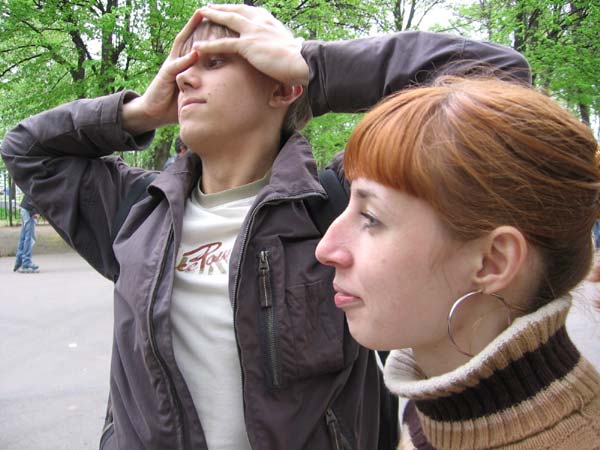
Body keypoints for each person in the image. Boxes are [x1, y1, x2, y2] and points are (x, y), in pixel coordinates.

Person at [1, 4, 530, 450]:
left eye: (214, 62)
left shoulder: (340, 210)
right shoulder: (137, 211)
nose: (184, 76)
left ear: (282, 90)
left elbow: (499, 79)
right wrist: (139, 111)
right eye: (182, 66)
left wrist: (313, 65)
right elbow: (26, 149)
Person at [315, 76, 600, 449]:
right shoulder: (437, 408)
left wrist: (315, 69)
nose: (326, 248)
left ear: (492, 262)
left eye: (370, 217)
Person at [13, 194, 40, 273]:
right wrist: (34, 212)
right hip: (29, 209)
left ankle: (19, 261)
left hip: (26, 208)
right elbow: (34, 194)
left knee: (24, 237)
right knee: (29, 237)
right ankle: (26, 263)